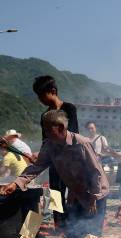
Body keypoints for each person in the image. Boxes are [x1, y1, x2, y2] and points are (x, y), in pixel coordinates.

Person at [1, 110, 109, 238]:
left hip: (96, 193)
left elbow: (95, 172)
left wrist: (93, 198)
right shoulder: (50, 145)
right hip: (77, 193)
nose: (45, 133)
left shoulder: (81, 143)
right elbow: (37, 166)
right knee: (74, 234)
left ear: (61, 127)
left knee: (92, 236)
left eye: (48, 130)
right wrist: (16, 183)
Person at [33, 75, 79, 227]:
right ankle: (59, 225)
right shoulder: (45, 116)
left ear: (52, 91)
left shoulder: (69, 109)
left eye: (41, 95)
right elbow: (45, 141)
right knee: (55, 193)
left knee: (73, 192)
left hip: (71, 161)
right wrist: (40, 156)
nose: (40, 99)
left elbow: (73, 134)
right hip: (54, 163)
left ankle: (73, 226)